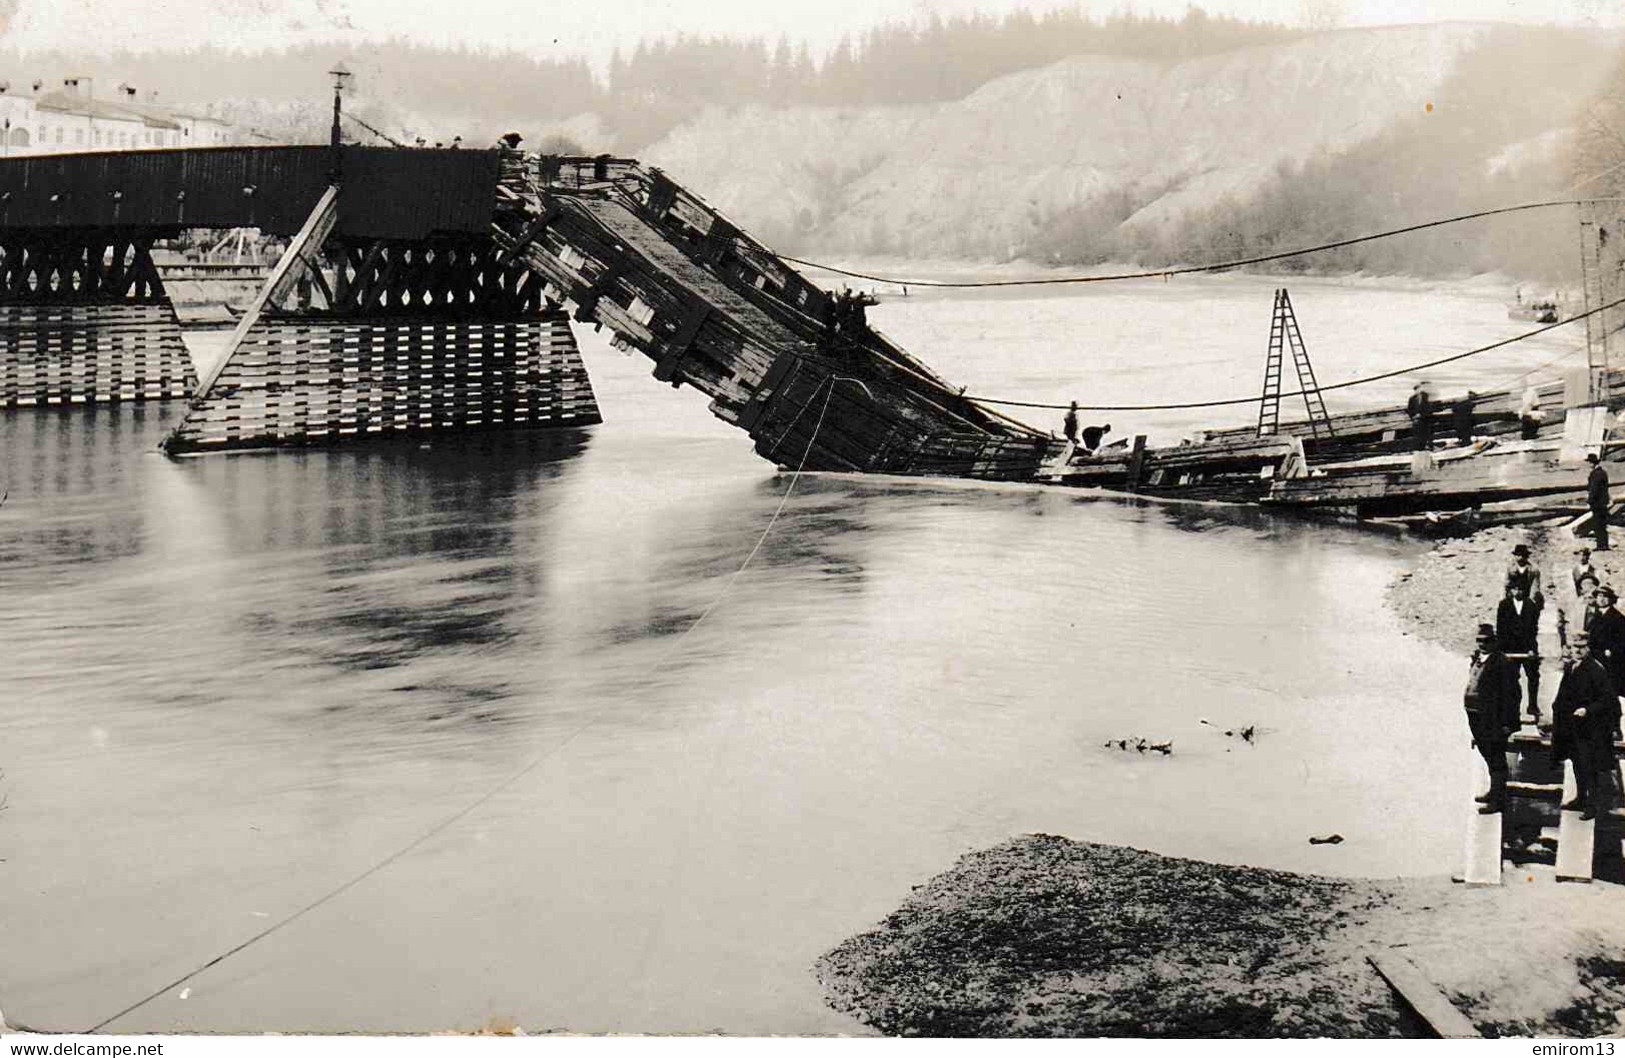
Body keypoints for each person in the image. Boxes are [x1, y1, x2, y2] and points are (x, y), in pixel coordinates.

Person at [1549, 630, 1621, 820]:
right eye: (1575, 648)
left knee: (1590, 766)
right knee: (1576, 763)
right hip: (1572, 726)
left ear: (1588, 648)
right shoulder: (1571, 667)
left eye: (1582, 648)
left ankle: (1592, 805)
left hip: (1591, 728)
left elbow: (1607, 700)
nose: (1578, 651)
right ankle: (1580, 798)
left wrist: (1587, 710)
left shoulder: (1596, 669)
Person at [1463, 623, 1520, 813]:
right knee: (1487, 754)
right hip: (1477, 716)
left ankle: (1498, 800)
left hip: (1493, 719)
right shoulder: (1478, 659)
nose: (1482, 644)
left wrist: (1508, 723)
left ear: (1494, 641)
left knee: (1496, 758)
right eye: (1479, 641)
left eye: (1486, 641)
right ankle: (1494, 791)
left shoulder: (1502, 663)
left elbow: (1513, 695)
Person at [1497, 580, 1542, 718]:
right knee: (1510, 678)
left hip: (1527, 647)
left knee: (1533, 676)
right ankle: (1512, 708)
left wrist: (1531, 649)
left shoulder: (1531, 605)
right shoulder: (1504, 605)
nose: (1518, 592)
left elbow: (1533, 629)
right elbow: (1501, 629)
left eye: (1521, 589)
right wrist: (1503, 650)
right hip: (1510, 648)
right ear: (1510, 591)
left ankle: (1532, 706)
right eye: (1515, 589)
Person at [1586, 585, 1625, 696]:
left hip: (1610, 659)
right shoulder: (1595, 616)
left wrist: (1611, 650)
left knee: (1610, 687)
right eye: (1599, 596)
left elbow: (1622, 641)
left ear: (1611, 599)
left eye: (1605, 596)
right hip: (1595, 656)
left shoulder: (1618, 618)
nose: (1601, 599)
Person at [1504, 544, 1545, 611]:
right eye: (1518, 555)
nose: (1521, 557)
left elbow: (1535, 587)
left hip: (1527, 597)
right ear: (1515, 556)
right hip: (1514, 596)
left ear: (1527, 556)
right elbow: (1507, 585)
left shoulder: (1534, 570)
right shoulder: (1510, 569)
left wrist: (1530, 602)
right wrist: (1513, 593)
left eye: (1523, 555)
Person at [1588, 453, 1611, 552]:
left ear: (1592, 462)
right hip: (1603, 502)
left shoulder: (1596, 474)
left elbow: (1594, 489)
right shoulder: (1603, 472)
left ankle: (1600, 545)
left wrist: (1590, 500)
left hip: (1597, 503)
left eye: (1589, 462)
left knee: (1597, 524)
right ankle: (1604, 544)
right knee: (1602, 524)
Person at [1406, 381, 1434, 451]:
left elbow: (1430, 407)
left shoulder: (1426, 396)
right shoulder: (1412, 399)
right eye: (1416, 389)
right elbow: (1409, 409)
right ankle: (1418, 448)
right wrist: (1413, 416)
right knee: (1417, 434)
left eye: (1418, 389)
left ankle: (1428, 446)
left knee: (1427, 433)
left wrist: (1422, 414)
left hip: (1425, 418)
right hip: (1416, 420)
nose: (1417, 391)